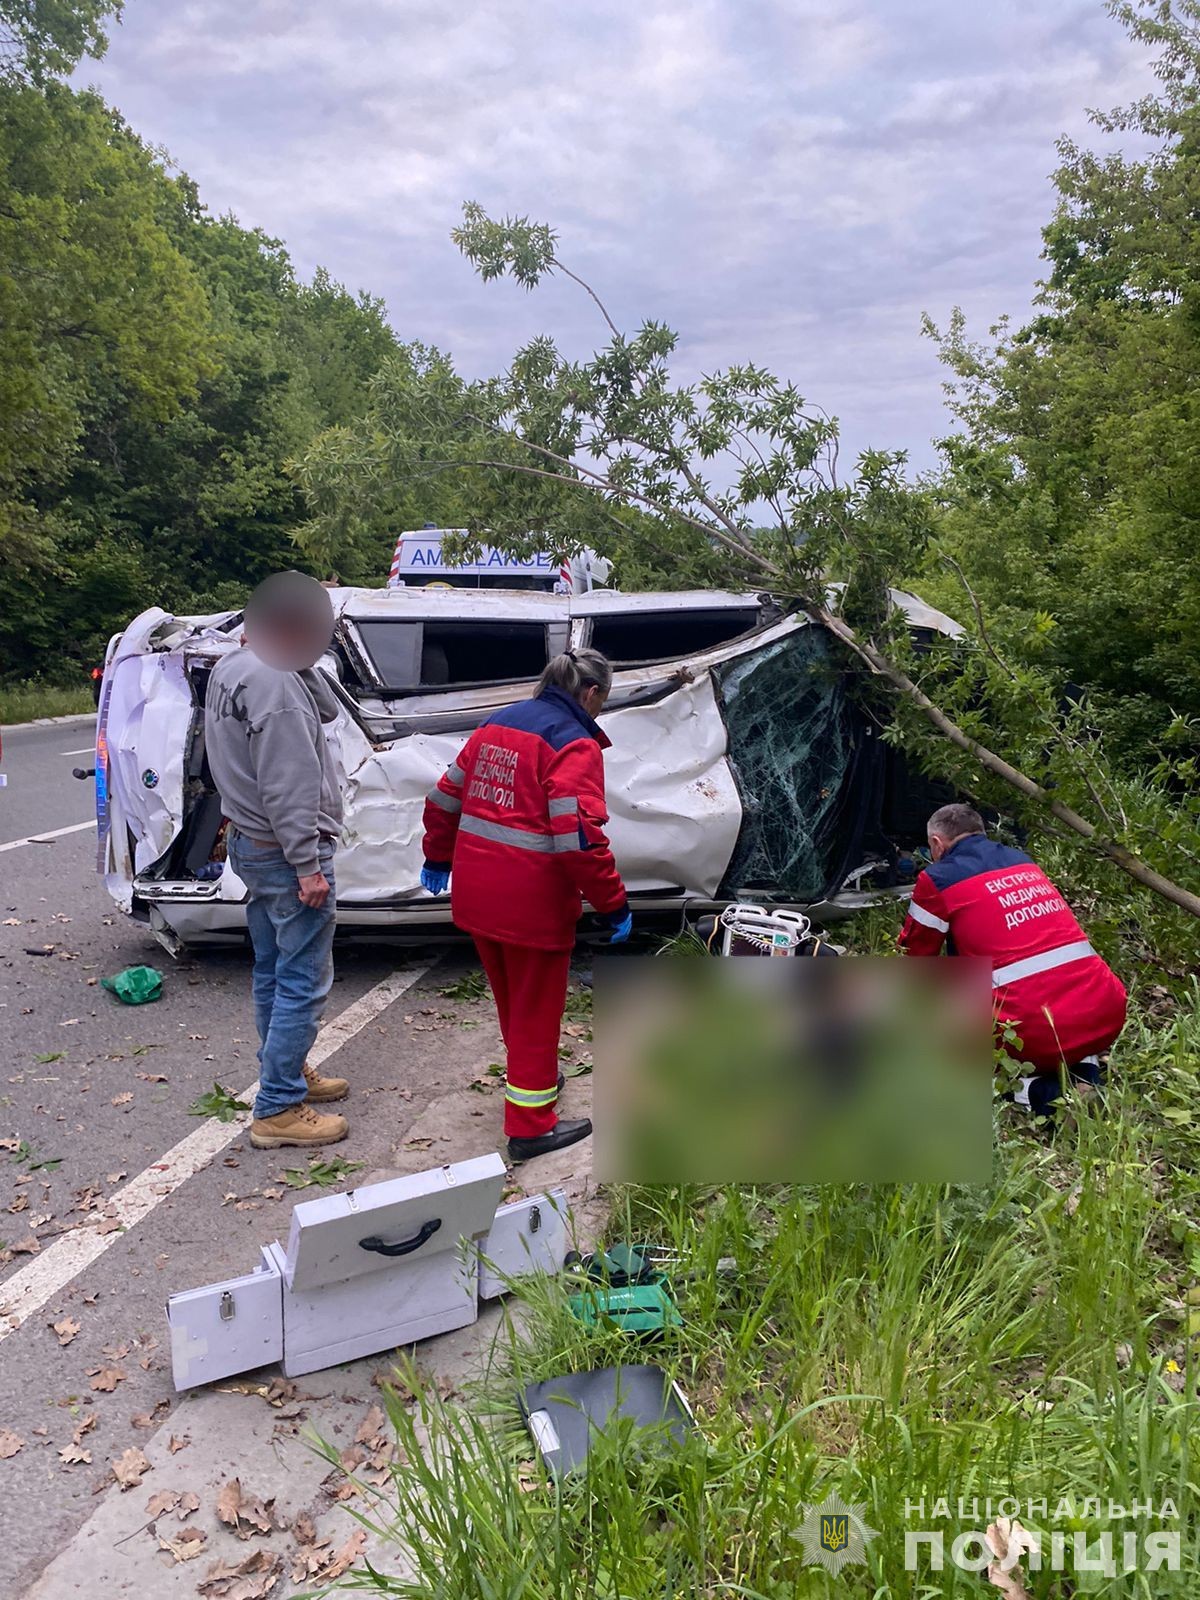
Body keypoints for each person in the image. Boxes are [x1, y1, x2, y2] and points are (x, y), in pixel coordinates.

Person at [421, 647, 631, 1161]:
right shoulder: (575, 744)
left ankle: (533, 1078)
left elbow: (443, 797)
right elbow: (576, 838)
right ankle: (531, 1126)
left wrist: (438, 855)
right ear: (590, 693)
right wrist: (614, 902)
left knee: (514, 1003)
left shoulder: (499, 724)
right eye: (604, 698)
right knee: (537, 1010)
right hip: (532, 904)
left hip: (478, 895)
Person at [205, 572, 350, 1150]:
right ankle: (278, 1108)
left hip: (250, 843)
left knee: (271, 969)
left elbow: (330, 712)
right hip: (288, 852)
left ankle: (287, 1074)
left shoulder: (234, 666)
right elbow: (289, 785)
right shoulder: (278, 689)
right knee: (303, 979)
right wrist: (307, 867)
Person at [898, 802, 1127, 1114]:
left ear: (937, 844)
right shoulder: (1022, 861)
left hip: (1031, 1029)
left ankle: (1048, 1095)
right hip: (1103, 1010)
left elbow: (914, 960)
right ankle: (1087, 1075)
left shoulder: (937, 879)